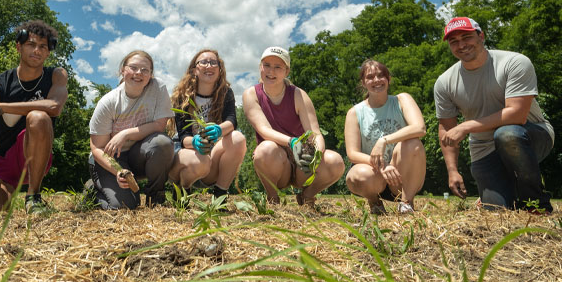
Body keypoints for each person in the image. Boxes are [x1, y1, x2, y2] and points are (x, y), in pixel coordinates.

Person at [434, 16, 554, 212]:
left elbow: (517, 115)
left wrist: (466, 126)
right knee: (496, 209)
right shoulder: (444, 82)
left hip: (530, 134)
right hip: (483, 147)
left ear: (481, 36)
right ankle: (500, 194)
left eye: (467, 37)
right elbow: (447, 128)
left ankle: (536, 203)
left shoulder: (514, 62)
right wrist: (452, 171)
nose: (461, 45)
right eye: (454, 41)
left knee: (507, 134)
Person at [0, 20, 68, 217]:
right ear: (18, 46)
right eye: (31, 44)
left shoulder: (57, 75)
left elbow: (54, 107)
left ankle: (33, 197)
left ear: (48, 53)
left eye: (42, 47)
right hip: (1, 161)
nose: (37, 50)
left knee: (38, 117)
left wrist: (2, 108)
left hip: (32, 152)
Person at [242, 46, 344, 206]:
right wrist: (292, 142)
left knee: (336, 162)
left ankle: (307, 195)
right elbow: (264, 130)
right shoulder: (251, 94)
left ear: (286, 72)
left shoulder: (298, 94)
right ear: (260, 67)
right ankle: (272, 199)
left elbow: (315, 134)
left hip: (302, 163)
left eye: (278, 67)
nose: (271, 71)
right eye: (267, 65)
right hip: (276, 161)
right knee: (265, 149)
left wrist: (316, 154)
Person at [89, 50, 174, 209]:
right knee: (124, 207)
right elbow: (97, 147)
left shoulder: (158, 88)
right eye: (133, 68)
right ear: (123, 70)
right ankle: (93, 191)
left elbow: (159, 125)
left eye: (145, 70)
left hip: (139, 154)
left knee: (162, 143)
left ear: (150, 74)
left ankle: (155, 198)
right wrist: (118, 171)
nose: (138, 73)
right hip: (110, 159)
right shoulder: (108, 102)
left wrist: (125, 134)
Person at [344, 59, 426, 215]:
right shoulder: (355, 112)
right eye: (370, 77)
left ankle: (406, 203)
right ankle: (375, 202)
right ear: (363, 82)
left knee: (413, 143)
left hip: (401, 175)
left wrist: (384, 140)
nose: (376, 80)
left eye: (381, 75)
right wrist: (382, 165)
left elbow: (420, 128)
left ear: (388, 79)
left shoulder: (402, 100)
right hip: (375, 176)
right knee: (358, 174)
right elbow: (352, 154)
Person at [168, 49, 247, 197]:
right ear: (194, 70)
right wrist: (196, 141)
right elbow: (184, 136)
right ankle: (182, 191)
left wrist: (218, 130)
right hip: (185, 156)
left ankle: (220, 195)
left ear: (219, 69)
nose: (209, 66)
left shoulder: (226, 93)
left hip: (210, 158)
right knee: (201, 161)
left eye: (213, 63)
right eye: (203, 62)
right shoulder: (182, 96)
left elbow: (232, 121)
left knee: (238, 138)